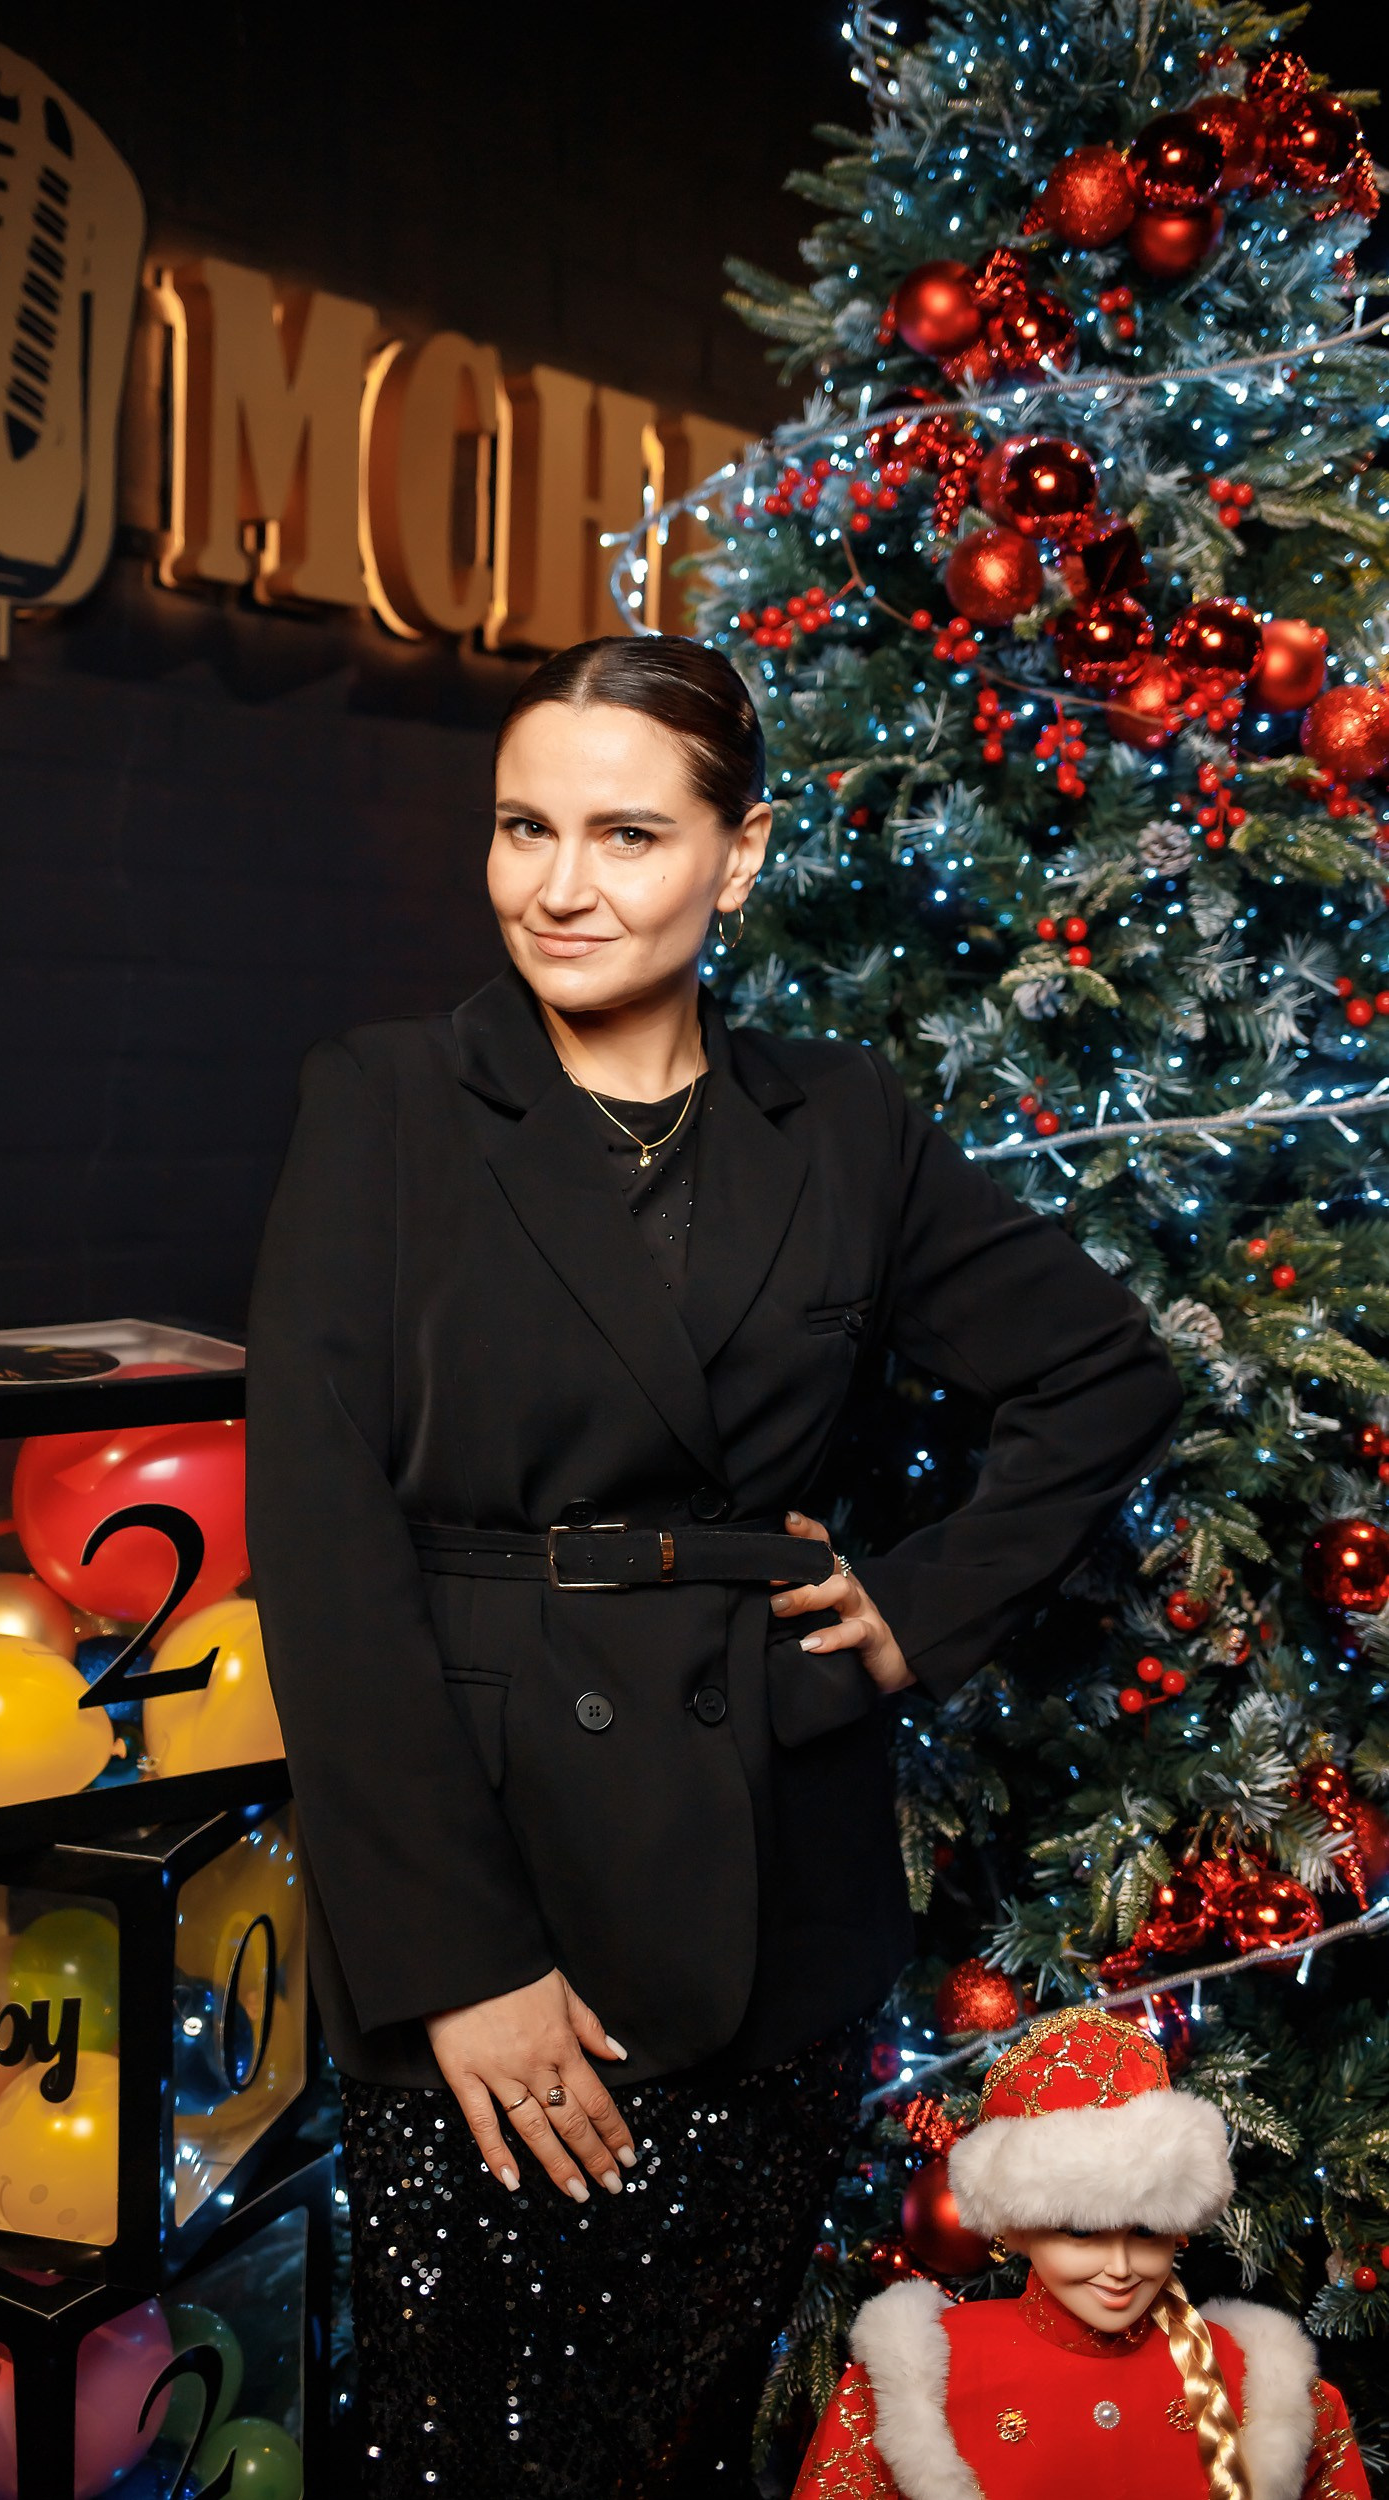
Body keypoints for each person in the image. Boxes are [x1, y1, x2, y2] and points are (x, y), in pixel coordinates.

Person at [244, 635, 1183, 2494]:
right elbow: (323, 1548)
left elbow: (1103, 1372)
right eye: (523, 827)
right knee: (475, 2450)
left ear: (737, 856)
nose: (557, 884)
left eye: (625, 834)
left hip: (771, 1873)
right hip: (488, 1879)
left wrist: (918, 1606)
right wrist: (459, 1961)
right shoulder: (385, 1101)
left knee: (673, 2438)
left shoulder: (839, 1123)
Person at [792, 2004, 1370, 2499]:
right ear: (1018, 2228)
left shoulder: (1271, 2390)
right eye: (1080, 2233)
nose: (1119, 2268)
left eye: (1146, 2232)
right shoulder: (908, 2382)